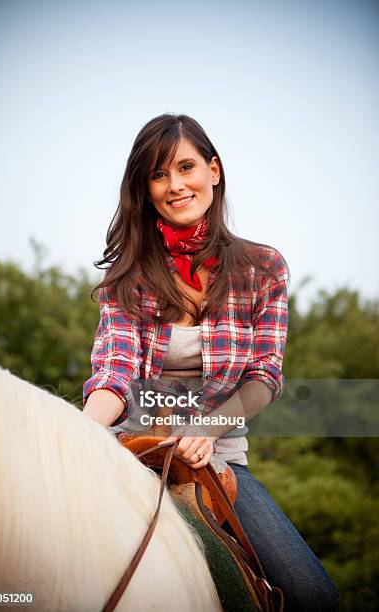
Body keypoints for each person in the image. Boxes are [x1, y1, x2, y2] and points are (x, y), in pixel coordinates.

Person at [83, 114, 339, 611]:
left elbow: (265, 375)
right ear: (146, 188)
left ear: (214, 171)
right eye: (159, 175)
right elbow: (115, 372)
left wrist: (211, 424)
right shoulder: (126, 279)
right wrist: (80, 434)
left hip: (217, 460)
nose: (175, 185)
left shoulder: (264, 268)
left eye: (186, 167)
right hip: (136, 449)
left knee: (314, 595)